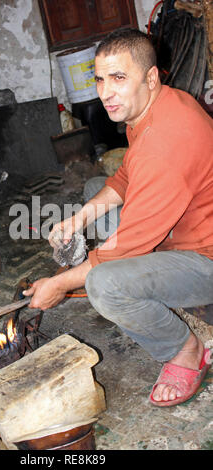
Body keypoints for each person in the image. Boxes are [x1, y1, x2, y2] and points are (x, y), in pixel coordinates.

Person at [23, 28, 213, 407]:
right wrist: (77, 221)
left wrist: (60, 283)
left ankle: (185, 350)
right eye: (100, 79)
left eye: (119, 78)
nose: (105, 92)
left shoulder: (165, 142)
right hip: (181, 227)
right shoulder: (156, 106)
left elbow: (125, 248)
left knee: (105, 284)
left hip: (205, 258)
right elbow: (125, 178)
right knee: (96, 187)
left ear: (151, 77)